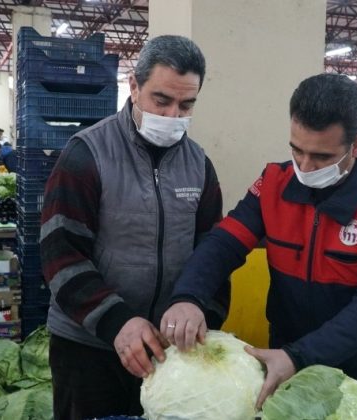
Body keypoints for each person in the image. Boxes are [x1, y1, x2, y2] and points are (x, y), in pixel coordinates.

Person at [162, 74, 357, 409]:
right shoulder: (274, 183)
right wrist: (188, 296)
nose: (305, 166)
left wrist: (300, 356)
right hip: (281, 358)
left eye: (323, 157)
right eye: (296, 150)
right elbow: (223, 243)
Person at [39, 35, 230, 419]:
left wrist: (199, 310)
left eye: (186, 104)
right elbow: (61, 254)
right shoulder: (87, 153)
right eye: (162, 100)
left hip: (170, 353)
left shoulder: (198, 164)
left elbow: (212, 250)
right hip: (90, 349)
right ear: (134, 86)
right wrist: (116, 321)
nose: (174, 115)